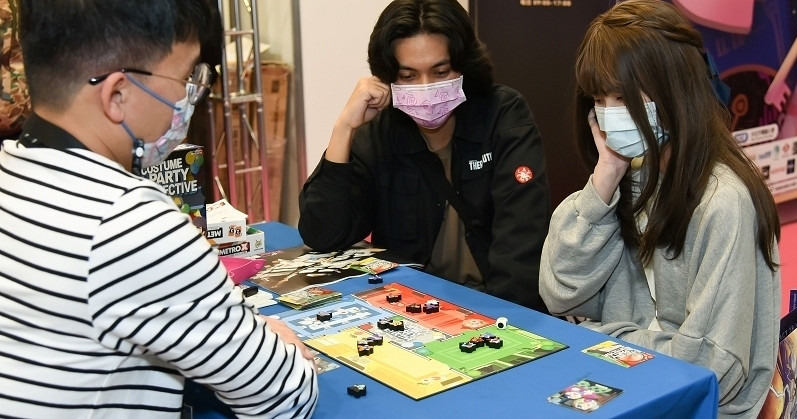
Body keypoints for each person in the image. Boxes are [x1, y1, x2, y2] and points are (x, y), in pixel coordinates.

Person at [0, 1, 318, 417]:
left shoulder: (12, 167)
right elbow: (283, 398)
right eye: (186, 77)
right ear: (117, 94)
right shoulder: (128, 221)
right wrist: (282, 347)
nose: (191, 97)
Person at [538, 0, 780, 417]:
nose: (610, 114)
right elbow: (559, 293)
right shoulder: (633, 173)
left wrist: (600, 336)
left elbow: (708, 367)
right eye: (600, 99)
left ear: (674, 90)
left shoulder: (723, 201)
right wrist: (605, 176)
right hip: (627, 385)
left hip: (694, 405)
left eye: (623, 97)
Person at [298, 0, 552, 312]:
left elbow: (520, 246)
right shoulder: (380, 131)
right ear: (387, 78)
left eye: (440, 71)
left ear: (462, 66)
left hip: (494, 308)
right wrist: (343, 129)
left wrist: (494, 326)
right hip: (413, 308)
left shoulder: (503, 116)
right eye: (408, 76)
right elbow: (322, 234)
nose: (426, 87)